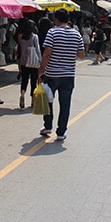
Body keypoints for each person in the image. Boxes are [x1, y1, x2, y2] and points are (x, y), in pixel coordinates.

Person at [38, 8, 85, 141]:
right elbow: (81, 55)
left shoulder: (52, 32)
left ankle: (48, 126)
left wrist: (41, 69)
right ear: (68, 20)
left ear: (56, 20)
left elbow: (47, 53)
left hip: (52, 74)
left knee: (48, 101)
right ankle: (61, 132)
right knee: (65, 104)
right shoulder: (77, 34)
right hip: (68, 75)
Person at [18, 19, 41, 109]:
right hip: (33, 62)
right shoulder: (35, 37)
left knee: (24, 80)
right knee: (33, 81)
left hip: (23, 61)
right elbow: (38, 50)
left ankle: (22, 94)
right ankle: (33, 101)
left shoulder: (20, 37)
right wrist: (40, 60)